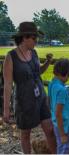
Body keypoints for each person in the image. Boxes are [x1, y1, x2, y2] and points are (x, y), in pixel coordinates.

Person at [3, 21, 56, 154]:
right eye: (34, 38)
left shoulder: (34, 53)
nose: (36, 41)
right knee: (26, 134)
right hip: (24, 101)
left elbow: (38, 72)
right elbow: (8, 84)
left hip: (41, 98)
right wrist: (6, 110)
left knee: (49, 129)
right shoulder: (11, 57)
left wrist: (48, 63)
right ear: (25, 37)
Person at [48, 58, 69, 154]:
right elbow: (58, 113)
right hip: (64, 126)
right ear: (66, 73)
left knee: (60, 146)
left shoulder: (52, 84)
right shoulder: (62, 90)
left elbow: (49, 102)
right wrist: (63, 134)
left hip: (56, 124)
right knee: (65, 148)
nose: (68, 79)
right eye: (68, 76)